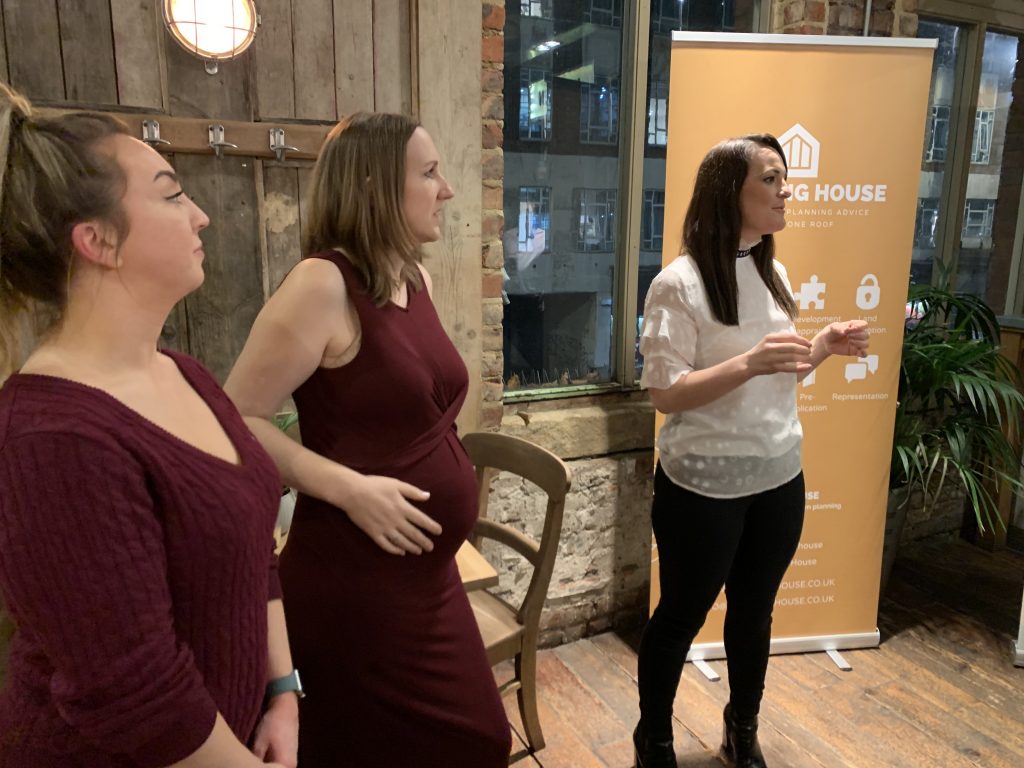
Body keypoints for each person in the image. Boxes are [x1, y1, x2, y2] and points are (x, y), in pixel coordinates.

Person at [0, 83, 298, 767]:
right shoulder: (51, 438)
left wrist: (282, 692)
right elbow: (136, 696)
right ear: (98, 241)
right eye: (172, 196)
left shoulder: (185, 373)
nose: (201, 216)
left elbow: (256, 548)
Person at [224, 112, 512, 767]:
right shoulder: (322, 284)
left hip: (428, 580)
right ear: (376, 186)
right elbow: (235, 416)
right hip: (355, 586)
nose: (447, 190)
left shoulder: (413, 278)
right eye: (429, 173)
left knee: (481, 740)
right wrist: (349, 489)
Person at [633, 134, 869, 768]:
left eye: (784, 177)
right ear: (727, 193)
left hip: (778, 479)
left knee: (755, 612)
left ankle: (742, 726)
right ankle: (654, 739)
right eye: (770, 178)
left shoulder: (773, 272)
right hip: (702, 488)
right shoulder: (678, 284)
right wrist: (747, 362)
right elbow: (666, 394)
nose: (785, 190)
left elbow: (778, 374)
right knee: (680, 616)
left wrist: (822, 346)